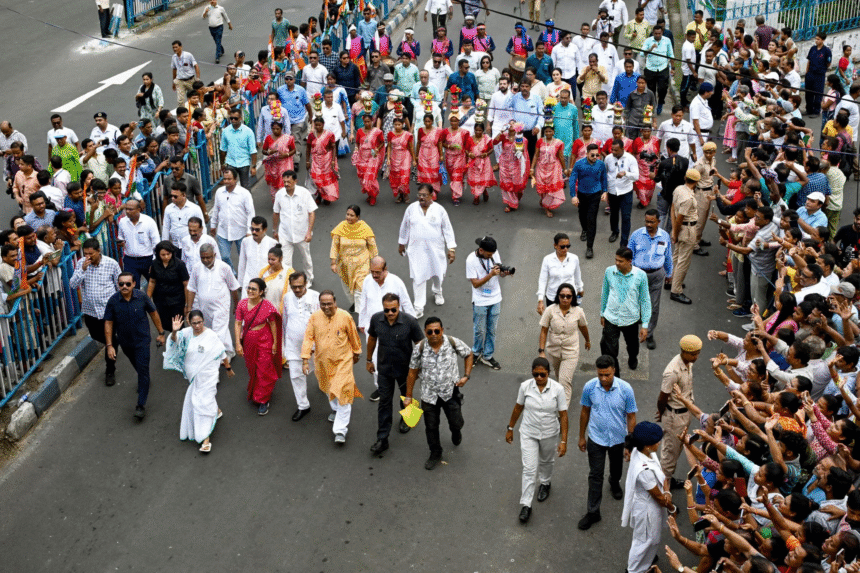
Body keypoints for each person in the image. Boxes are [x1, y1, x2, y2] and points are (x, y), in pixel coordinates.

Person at [403, 316, 473, 470]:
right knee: (431, 426)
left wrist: (466, 376)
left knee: (457, 422)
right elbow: (412, 373)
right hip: (429, 395)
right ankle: (435, 452)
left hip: (450, 393)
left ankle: (456, 431)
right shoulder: (419, 348)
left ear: (442, 330)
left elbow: (468, 354)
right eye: (430, 331)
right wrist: (408, 396)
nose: (433, 334)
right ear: (425, 333)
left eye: (436, 331)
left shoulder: (452, 342)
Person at [577, 354, 637, 530]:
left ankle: (614, 481)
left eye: (607, 375)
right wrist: (581, 436)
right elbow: (585, 411)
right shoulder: (590, 387)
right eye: (600, 375)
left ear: (614, 371)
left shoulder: (625, 389)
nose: (603, 378)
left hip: (618, 439)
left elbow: (631, 416)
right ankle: (593, 512)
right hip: (596, 438)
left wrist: (629, 443)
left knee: (616, 468)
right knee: (595, 475)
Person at [505, 356, 569, 524]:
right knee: (529, 469)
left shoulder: (558, 389)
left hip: (549, 433)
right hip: (528, 433)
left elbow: (563, 415)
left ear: (548, 374)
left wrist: (564, 441)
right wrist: (510, 428)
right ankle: (526, 504)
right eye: (536, 374)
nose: (539, 378)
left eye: (543, 375)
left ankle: (546, 483)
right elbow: (518, 407)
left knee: (547, 461)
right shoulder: (525, 387)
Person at [164, 310, 232, 453]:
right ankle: (216, 411)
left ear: (203, 321)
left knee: (200, 402)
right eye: (194, 323)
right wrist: (175, 332)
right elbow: (175, 343)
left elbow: (221, 352)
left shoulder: (211, 336)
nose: (197, 326)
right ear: (189, 323)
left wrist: (228, 368)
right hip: (194, 377)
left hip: (209, 376)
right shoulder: (186, 333)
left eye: (199, 322)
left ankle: (205, 438)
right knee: (203, 399)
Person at [301, 291, 363, 444]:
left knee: (343, 392)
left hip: (343, 361)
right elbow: (308, 338)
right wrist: (304, 359)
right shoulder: (315, 317)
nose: (327, 307)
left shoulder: (345, 317)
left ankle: (340, 430)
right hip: (323, 362)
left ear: (335, 302)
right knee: (328, 388)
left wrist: (356, 352)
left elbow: (354, 336)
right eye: (323, 304)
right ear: (319, 304)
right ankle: (335, 409)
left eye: (329, 303)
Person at [367, 293, 424, 454]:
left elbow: (420, 343)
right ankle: (382, 439)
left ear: (399, 307)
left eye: (393, 309)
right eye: (387, 310)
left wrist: (419, 366)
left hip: (406, 370)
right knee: (384, 402)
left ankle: (407, 418)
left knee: (406, 397)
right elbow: (372, 338)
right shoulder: (376, 319)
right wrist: (369, 360)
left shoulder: (410, 322)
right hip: (384, 369)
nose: (390, 313)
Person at [104, 272, 166, 420]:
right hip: (125, 343)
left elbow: (153, 313)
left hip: (142, 342)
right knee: (138, 366)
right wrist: (109, 345)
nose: (124, 287)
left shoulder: (142, 297)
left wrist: (161, 332)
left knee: (143, 370)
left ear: (133, 284)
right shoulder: (113, 301)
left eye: (127, 284)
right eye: (121, 284)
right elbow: (108, 323)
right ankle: (144, 379)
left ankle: (140, 405)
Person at [358, 256, 415, 394]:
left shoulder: (396, 282)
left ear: (385, 269)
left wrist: (411, 326)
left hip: (395, 329)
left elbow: (406, 304)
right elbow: (363, 302)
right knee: (376, 360)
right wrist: (362, 322)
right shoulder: (367, 281)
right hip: (374, 330)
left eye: (378, 272)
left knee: (399, 360)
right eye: (372, 272)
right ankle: (381, 387)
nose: (375, 275)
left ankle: (405, 393)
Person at [398, 185, 456, 319]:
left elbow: (447, 229)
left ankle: (437, 291)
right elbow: (404, 226)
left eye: (424, 195)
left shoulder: (439, 210)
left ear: (432, 195)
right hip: (416, 249)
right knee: (418, 276)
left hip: (436, 249)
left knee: (437, 272)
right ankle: (418, 307)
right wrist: (402, 243)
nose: (421, 198)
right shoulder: (411, 209)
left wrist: (451, 249)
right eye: (419, 195)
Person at [621, 421, 672, 573]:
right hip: (647, 511)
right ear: (648, 445)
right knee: (643, 542)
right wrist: (672, 507)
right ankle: (634, 570)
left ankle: (647, 561)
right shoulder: (644, 470)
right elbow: (660, 497)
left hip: (649, 507)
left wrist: (666, 492)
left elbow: (662, 475)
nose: (659, 443)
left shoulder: (645, 452)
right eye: (657, 441)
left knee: (650, 540)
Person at [69, 238, 121, 385]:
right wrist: (82, 270)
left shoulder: (111, 264)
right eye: (85, 254)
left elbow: (120, 286)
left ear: (99, 251)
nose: (88, 257)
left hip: (109, 311)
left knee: (110, 339)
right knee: (96, 335)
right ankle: (113, 343)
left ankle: (110, 370)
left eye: (91, 254)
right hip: (90, 311)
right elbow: (72, 285)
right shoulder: (81, 264)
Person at [655, 334, 701, 488]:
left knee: (677, 450)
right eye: (693, 354)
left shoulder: (688, 363)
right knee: (669, 454)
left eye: (697, 353)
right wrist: (662, 413)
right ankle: (664, 488)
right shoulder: (672, 372)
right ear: (683, 351)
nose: (696, 357)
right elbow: (662, 397)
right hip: (674, 416)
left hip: (684, 413)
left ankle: (668, 478)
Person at [600, 247, 651, 378]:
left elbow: (645, 300)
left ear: (629, 261)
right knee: (610, 351)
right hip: (611, 317)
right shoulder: (609, 271)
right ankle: (616, 378)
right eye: (616, 260)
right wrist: (602, 313)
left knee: (633, 346)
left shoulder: (640, 275)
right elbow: (605, 293)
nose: (617, 263)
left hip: (631, 320)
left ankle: (633, 357)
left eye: (620, 261)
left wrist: (645, 325)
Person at [234, 278, 283, 416]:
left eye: (254, 289)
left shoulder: (267, 305)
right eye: (248, 288)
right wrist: (238, 343)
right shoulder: (242, 304)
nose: (250, 291)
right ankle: (257, 390)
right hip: (249, 339)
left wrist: (274, 343)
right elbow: (238, 324)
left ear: (261, 292)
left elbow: (273, 324)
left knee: (264, 368)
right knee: (252, 367)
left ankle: (263, 400)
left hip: (265, 339)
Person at [627, 210, 672, 350]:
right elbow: (628, 255)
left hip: (657, 276)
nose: (649, 224)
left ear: (658, 221)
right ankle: (635, 327)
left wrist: (669, 273)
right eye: (647, 221)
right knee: (636, 302)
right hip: (638, 274)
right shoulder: (636, 235)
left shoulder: (664, 236)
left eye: (652, 222)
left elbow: (668, 256)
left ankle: (650, 333)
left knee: (654, 305)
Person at [538, 283, 590, 404]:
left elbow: (583, 328)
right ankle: (560, 396)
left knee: (564, 381)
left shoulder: (578, 311)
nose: (565, 299)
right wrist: (541, 351)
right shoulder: (550, 310)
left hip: (571, 351)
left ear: (573, 298)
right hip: (554, 351)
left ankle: (562, 411)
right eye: (562, 296)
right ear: (558, 296)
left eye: (568, 296)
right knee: (559, 377)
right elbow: (544, 330)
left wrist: (587, 340)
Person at [186, 244, 239, 359]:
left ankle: (218, 357)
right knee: (211, 329)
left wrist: (236, 305)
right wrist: (189, 309)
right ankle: (229, 350)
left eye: (208, 257)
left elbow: (233, 288)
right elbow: (191, 289)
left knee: (218, 332)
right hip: (204, 307)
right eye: (203, 258)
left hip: (221, 306)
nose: (205, 260)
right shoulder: (196, 268)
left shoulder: (224, 267)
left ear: (214, 255)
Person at [281, 272, 319, 421]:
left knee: (321, 372)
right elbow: (285, 321)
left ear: (306, 284)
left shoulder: (316, 297)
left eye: (300, 287)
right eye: (294, 287)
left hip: (315, 346)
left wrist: (318, 343)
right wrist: (284, 344)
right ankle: (303, 405)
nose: (297, 290)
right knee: (296, 376)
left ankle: (331, 398)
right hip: (293, 345)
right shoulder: (287, 298)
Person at [330, 205, 377, 312]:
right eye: (347, 214)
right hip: (345, 265)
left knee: (359, 289)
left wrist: (375, 263)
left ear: (358, 217)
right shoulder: (341, 227)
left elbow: (372, 247)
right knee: (347, 288)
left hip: (362, 263)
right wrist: (333, 262)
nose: (349, 217)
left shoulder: (365, 228)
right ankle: (355, 302)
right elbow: (334, 246)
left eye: (352, 215)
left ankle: (361, 315)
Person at [272, 170, 316, 285]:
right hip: (285, 235)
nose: (286, 184)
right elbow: (276, 213)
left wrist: (309, 232)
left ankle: (309, 278)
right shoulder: (279, 195)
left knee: (306, 258)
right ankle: (289, 282)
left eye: (289, 181)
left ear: (295, 181)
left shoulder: (304, 193)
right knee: (285, 261)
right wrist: (274, 230)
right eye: (284, 181)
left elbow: (311, 213)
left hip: (302, 234)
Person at [208, 167, 254, 273]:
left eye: (229, 179)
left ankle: (244, 278)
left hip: (241, 231)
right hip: (223, 231)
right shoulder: (219, 192)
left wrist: (249, 230)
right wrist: (213, 225)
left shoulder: (244, 193)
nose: (226, 182)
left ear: (235, 179)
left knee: (243, 258)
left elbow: (250, 213)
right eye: (225, 179)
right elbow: (216, 209)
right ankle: (232, 275)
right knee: (224, 257)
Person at [570, 144, 608, 259]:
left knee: (592, 219)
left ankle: (589, 247)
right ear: (586, 154)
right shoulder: (579, 164)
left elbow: (604, 178)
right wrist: (573, 196)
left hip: (595, 195)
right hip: (582, 194)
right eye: (592, 155)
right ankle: (584, 230)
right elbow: (572, 179)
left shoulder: (601, 164)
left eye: (597, 154)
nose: (595, 157)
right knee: (582, 215)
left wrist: (605, 191)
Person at [669, 169, 700, 304]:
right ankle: (676, 290)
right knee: (683, 261)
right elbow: (680, 217)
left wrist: (674, 230)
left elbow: (673, 207)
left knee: (676, 256)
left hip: (680, 227)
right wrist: (675, 233)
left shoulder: (679, 189)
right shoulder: (688, 198)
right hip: (687, 229)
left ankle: (671, 280)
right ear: (697, 182)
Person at [147, 241, 190, 331]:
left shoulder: (179, 265)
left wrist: (187, 304)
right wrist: (147, 299)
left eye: (168, 254)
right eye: (163, 255)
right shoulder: (155, 264)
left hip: (177, 301)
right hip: (161, 301)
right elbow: (152, 281)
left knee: (178, 326)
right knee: (166, 324)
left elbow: (186, 284)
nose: (166, 257)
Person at [604, 139, 640, 246]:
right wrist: (605, 191)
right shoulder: (608, 158)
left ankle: (624, 241)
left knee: (626, 216)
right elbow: (605, 174)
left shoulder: (630, 159)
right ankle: (615, 232)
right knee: (613, 214)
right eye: (612, 150)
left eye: (616, 150)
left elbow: (636, 176)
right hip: (612, 192)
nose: (613, 152)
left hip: (626, 192)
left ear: (622, 149)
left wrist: (625, 173)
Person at [116, 199, 158, 286]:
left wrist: (154, 261)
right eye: (126, 209)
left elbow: (156, 242)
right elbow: (120, 237)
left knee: (155, 286)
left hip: (148, 259)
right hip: (130, 260)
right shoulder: (122, 222)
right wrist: (121, 242)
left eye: (130, 209)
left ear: (138, 209)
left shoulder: (149, 222)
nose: (127, 211)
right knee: (132, 288)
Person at [493, 122, 530, 212]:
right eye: (509, 124)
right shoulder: (504, 136)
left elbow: (522, 153)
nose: (511, 125)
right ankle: (511, 203)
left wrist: (519, 140)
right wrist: (500, 132)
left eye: (513, 124)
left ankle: (515, 198)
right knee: (506, 184)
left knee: (517, 184)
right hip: (504, 164)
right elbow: (494, 142)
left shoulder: (522, 138)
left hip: (516, 164)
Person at [532, 124, 566, 218]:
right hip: (541, 168)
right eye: (546, 131)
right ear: (544, 132)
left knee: (552, 188)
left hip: (554, 168)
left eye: (550, 131)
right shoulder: (540, 141)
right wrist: (532, 167)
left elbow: (561, 157)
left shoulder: (558, 143)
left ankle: (546, 206)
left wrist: (564, 169)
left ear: (553, 132)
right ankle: (545, 203)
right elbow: (536, 155)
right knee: (544, 187)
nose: (548, 133)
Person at [237, 216, 278, 295]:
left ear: (265, 229)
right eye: (252, 229)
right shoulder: (245, 242)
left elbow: (276, 265)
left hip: (266, 282)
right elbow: (242, 263)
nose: (254, 232)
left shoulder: (272, 243)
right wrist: (240, 283)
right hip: (249, 281)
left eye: (257, 229)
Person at [162, 182, 204, 255]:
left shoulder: (195, 209)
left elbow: (202, 227)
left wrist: (202, 244)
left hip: (191, 246)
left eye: (175, 196)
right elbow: (166, 227)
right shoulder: (168, 209)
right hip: (175, 247)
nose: (172, 198)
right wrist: (164, 246)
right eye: (171, 196)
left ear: (184, 195)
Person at [354, 114, 386, 205]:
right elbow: (357, 143)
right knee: (363, 177)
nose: (367, 123)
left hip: (372, 157)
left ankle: (373, 196)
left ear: (372, 121)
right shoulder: (359, 131)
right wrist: (356, 150)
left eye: (368, 121)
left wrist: (377, 149)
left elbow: (382, 142)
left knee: (370, 178)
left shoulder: (377, 132)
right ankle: (369, 194)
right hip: (362, 157)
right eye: (365, 122)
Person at [306, 116, 339, 204]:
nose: (318, 127)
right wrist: (307, 161)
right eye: (316, 125)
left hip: (326, 160)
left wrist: (332, 160)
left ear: (323, 125)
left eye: (319, 125)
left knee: (326, 179)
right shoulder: (311, 135)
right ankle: (320, 195)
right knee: (316, 179)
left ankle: (326, 196)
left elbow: (333, 147)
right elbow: (308, 148)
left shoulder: (329, 135)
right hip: (315, 160)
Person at [261, 121, 296, 202]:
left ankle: (286, 202)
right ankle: (277, 203)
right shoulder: (268, 138)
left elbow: (293, 150)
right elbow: (263, 150)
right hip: (273, 166)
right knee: (273, 187)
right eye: (273, 129)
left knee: (284, 184)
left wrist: (286, 155)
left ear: (281, 128)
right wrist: (269, 152)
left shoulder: (288, 138)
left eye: (277, 129)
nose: (275, 131)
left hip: (285, 165)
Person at [640, 26, 672, 115]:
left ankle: (661, 101)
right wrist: (650, 49)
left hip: (663, 68)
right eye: (656, 33)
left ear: (662, 33)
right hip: (650, 68)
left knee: (663, 88)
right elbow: (642, 53)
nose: (657, 35)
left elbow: (670, 54)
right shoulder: (648, 41)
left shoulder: (667, 41)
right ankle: (653, 104)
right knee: (651, 89)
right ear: (653, 33)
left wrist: (673, 67)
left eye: (659, 33)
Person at [443, 112, 470, 205]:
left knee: (456, 176)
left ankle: (456, 197)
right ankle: (455, 190)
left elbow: (467, 146)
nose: (454, 123)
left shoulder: (464, 132)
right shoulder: (445, 131)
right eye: (452, 121)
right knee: (452, 176)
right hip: (449, 157)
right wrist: (449, 146)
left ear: (459, 121)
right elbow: (442, 143)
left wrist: (468, 159)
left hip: (460, 157)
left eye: (456, 121)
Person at [415, 114, 444, 198]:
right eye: (426, 121)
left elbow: (439, 143)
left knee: (434, 173)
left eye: (429, 121)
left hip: (434, 154)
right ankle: (428, 191)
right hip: (423, 154)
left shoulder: (437, 131)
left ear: (432, 121)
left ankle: (434, 190)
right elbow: (419, 143)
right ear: (423, 121)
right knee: (424, 173)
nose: (427, 123)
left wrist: (441, 155)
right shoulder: (420, 130)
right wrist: (416, 156)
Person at [466, 122, 495, 205]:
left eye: (480, 130)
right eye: (476, 130)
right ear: (474, 130)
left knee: (482, 179)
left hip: (484, 162)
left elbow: (491, 149)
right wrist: (469, 154)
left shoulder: (487, 139)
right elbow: (466, 150)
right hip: (473, 162)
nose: (478, 132)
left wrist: (486, 154)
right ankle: (478, 195)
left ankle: (478, 195)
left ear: (483, 130)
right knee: (474, 180)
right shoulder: (470, 139)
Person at [387, 116, 414, 202]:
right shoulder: (390, 134)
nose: (397, 126)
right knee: (397, 177)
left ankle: (405, 194)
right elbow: (389, 147)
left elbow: (411, 147)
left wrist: (414, 159)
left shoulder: (407, 135)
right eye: (395, 124)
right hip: (394, 157)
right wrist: (388, 158)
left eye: (399, 124)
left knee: (404, 177)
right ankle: (400, 195)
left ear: (403, 124)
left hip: (405, 156)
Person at [171, 41, 200, 106]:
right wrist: (173, 81)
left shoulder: (188, 55)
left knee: (194, 98)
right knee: (180, 101)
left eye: (176, 47)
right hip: (180, 81)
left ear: (181, 47)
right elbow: (174, 69)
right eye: (173, 47)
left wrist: (198, 78)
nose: (174, 49)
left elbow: (196, 66)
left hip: (190, 80)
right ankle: (182, 114)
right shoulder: (174, 57)